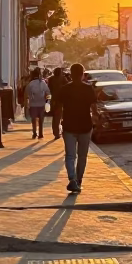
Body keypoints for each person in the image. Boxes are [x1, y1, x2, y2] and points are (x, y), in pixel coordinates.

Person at [54, 63, 96, 194]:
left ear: (71, 75)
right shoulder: (88, 89)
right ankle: (78, 180)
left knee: (70, 155)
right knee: (82, 156)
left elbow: (58, 108)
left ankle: (72, 179)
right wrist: (95, 120)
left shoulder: (65, 89)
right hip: (85, 126)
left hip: (69, 126)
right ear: (82, 74)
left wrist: (56, 126)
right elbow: (94, 107)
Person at [24, 68, 50, 139]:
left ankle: (34, 133)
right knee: (41, 120)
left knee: (33, 119)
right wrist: (48, 102)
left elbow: (27, 94)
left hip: (33, 104)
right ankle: (41, 133)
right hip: (42, 104)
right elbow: (48, 92)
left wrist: (27, 104)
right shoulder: (43, 83)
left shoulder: (30, 84)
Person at [47, 66, 69, 140]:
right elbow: (68, 86)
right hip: (61, 101)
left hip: (53, 100)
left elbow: (48, 89)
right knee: (60, 117)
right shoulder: (62, 79)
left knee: (56, 117)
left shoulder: (51, 79)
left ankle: (56, 132)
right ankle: (61, 132)